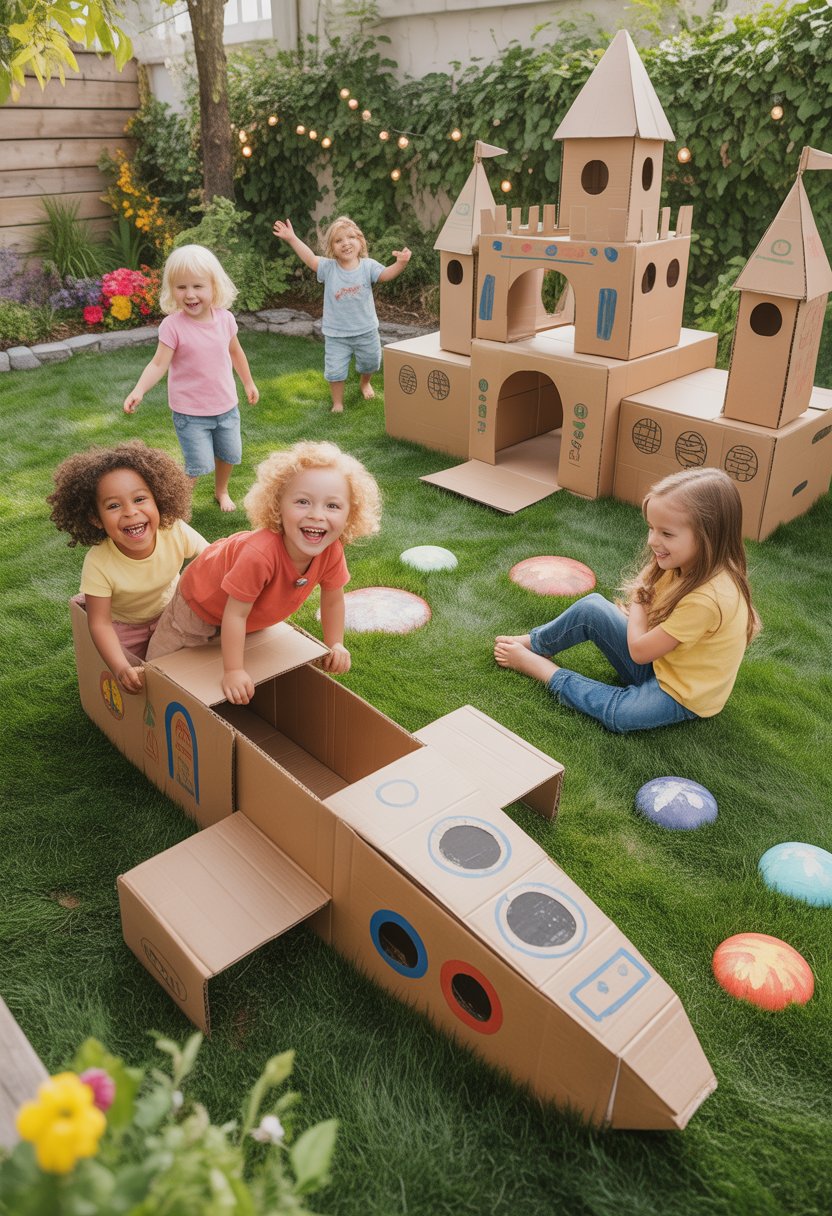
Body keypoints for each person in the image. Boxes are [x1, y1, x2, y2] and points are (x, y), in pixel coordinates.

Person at [494, 468, 760, 733]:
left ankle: (541, 668)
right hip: (662, 663)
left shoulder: (708, 599)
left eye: (667, 534)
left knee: (621, 714)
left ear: (708, 537)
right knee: (593, 607)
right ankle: (537, 644)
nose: (653, 541)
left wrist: (640, 599)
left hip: (682, 694)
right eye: (651, 528)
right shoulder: (685, 562)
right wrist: (642, 598)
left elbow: (640, 652)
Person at [146, 440, 382, 704]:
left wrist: (335, 643)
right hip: (200, 602)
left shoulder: (332, 551)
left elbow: (333, 599)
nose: (317, 515)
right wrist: (233, 671)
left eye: (333, 506)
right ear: (278, 505)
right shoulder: (260, 554)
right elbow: (235, 614)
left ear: (351, 515)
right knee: (160, 662)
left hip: (246, 612)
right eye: (303, 501)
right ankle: (147, 660)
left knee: (221, 654)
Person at [48, 440, 208, 694]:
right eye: (113, 506)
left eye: (140, 499)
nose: (130, 512)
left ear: (159, 499)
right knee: (140, 679)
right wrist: (121, 668)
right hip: (125, 626)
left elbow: (212, 559)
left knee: (188, 669)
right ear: (96, 519)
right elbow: (99, 624)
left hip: (171, 612)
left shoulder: (174, 530)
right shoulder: (99, 563)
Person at [123, 244, 259, 512]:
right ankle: (180, 504)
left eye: (198, 286)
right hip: (190, 413)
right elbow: (158, 363)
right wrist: (139, 389)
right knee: (198, 465)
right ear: (172, 290)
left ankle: (222, 492)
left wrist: (248, 382)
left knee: (228, 454)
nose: (190, 294)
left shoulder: (225, 320)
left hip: (226, 407)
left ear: (214, 287)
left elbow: (236, 352)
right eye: (181, 287)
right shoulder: (173, 326)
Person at [272, 214, 410, 412]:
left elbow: (386, 275)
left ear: (360, 242)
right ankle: (338, 403)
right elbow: (310, 258)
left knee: (371, 363)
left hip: (366, 331)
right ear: (332, 247)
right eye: (338, 240)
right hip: (337, 334)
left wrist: (401, 263)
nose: (345, 243)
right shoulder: (328, 268)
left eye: (351, 238)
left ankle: (365, 383)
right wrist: (292, 238)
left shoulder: (368, 266)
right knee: (335, 371)